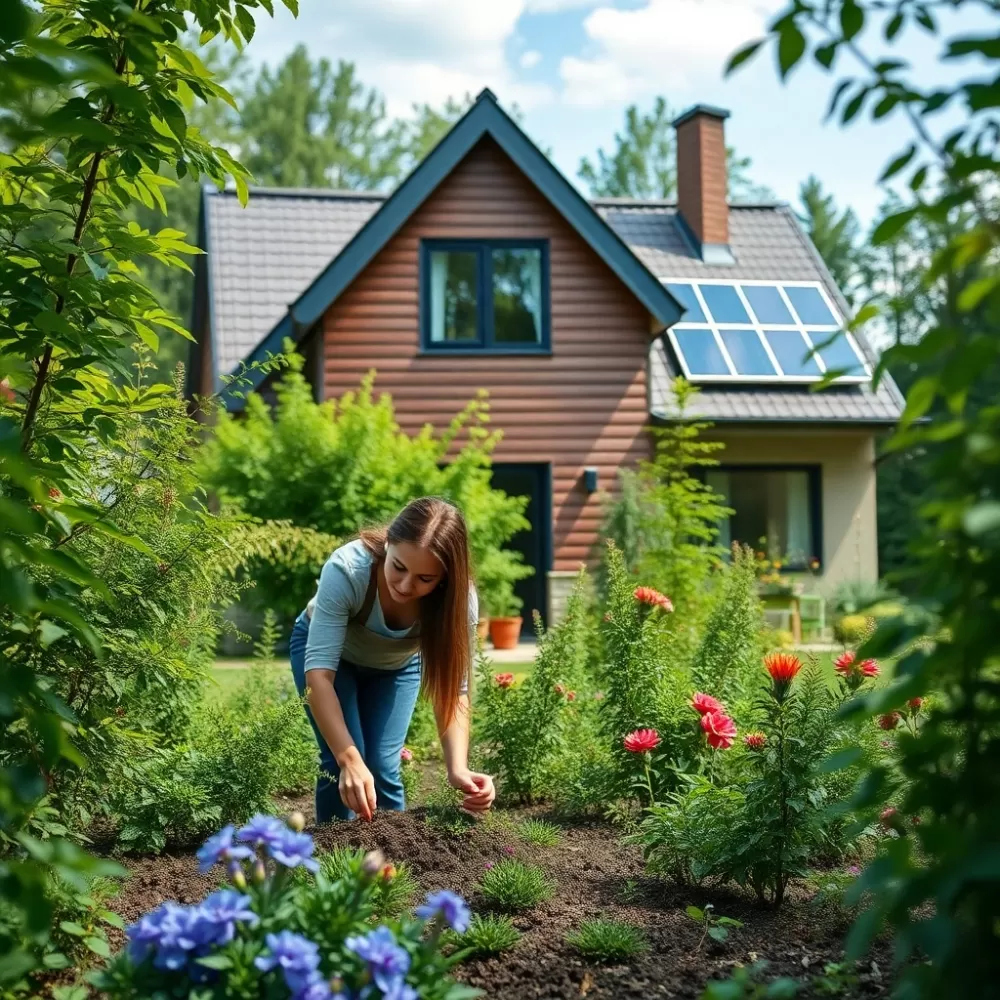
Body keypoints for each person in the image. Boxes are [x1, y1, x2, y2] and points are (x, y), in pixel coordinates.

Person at [289, 496, 496, 822]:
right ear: (387, 546)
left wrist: (458, 768)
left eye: (424, 579)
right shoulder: (348, 569)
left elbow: (455, 690)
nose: (404, 584)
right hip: (331, 662)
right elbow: (319, 676)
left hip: (395, 667)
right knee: (341, 759)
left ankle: (390, 867)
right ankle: (331, 862)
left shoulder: (458, 601)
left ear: (444, 577)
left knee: (383, 768)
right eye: (398, 566)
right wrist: (350, 760)